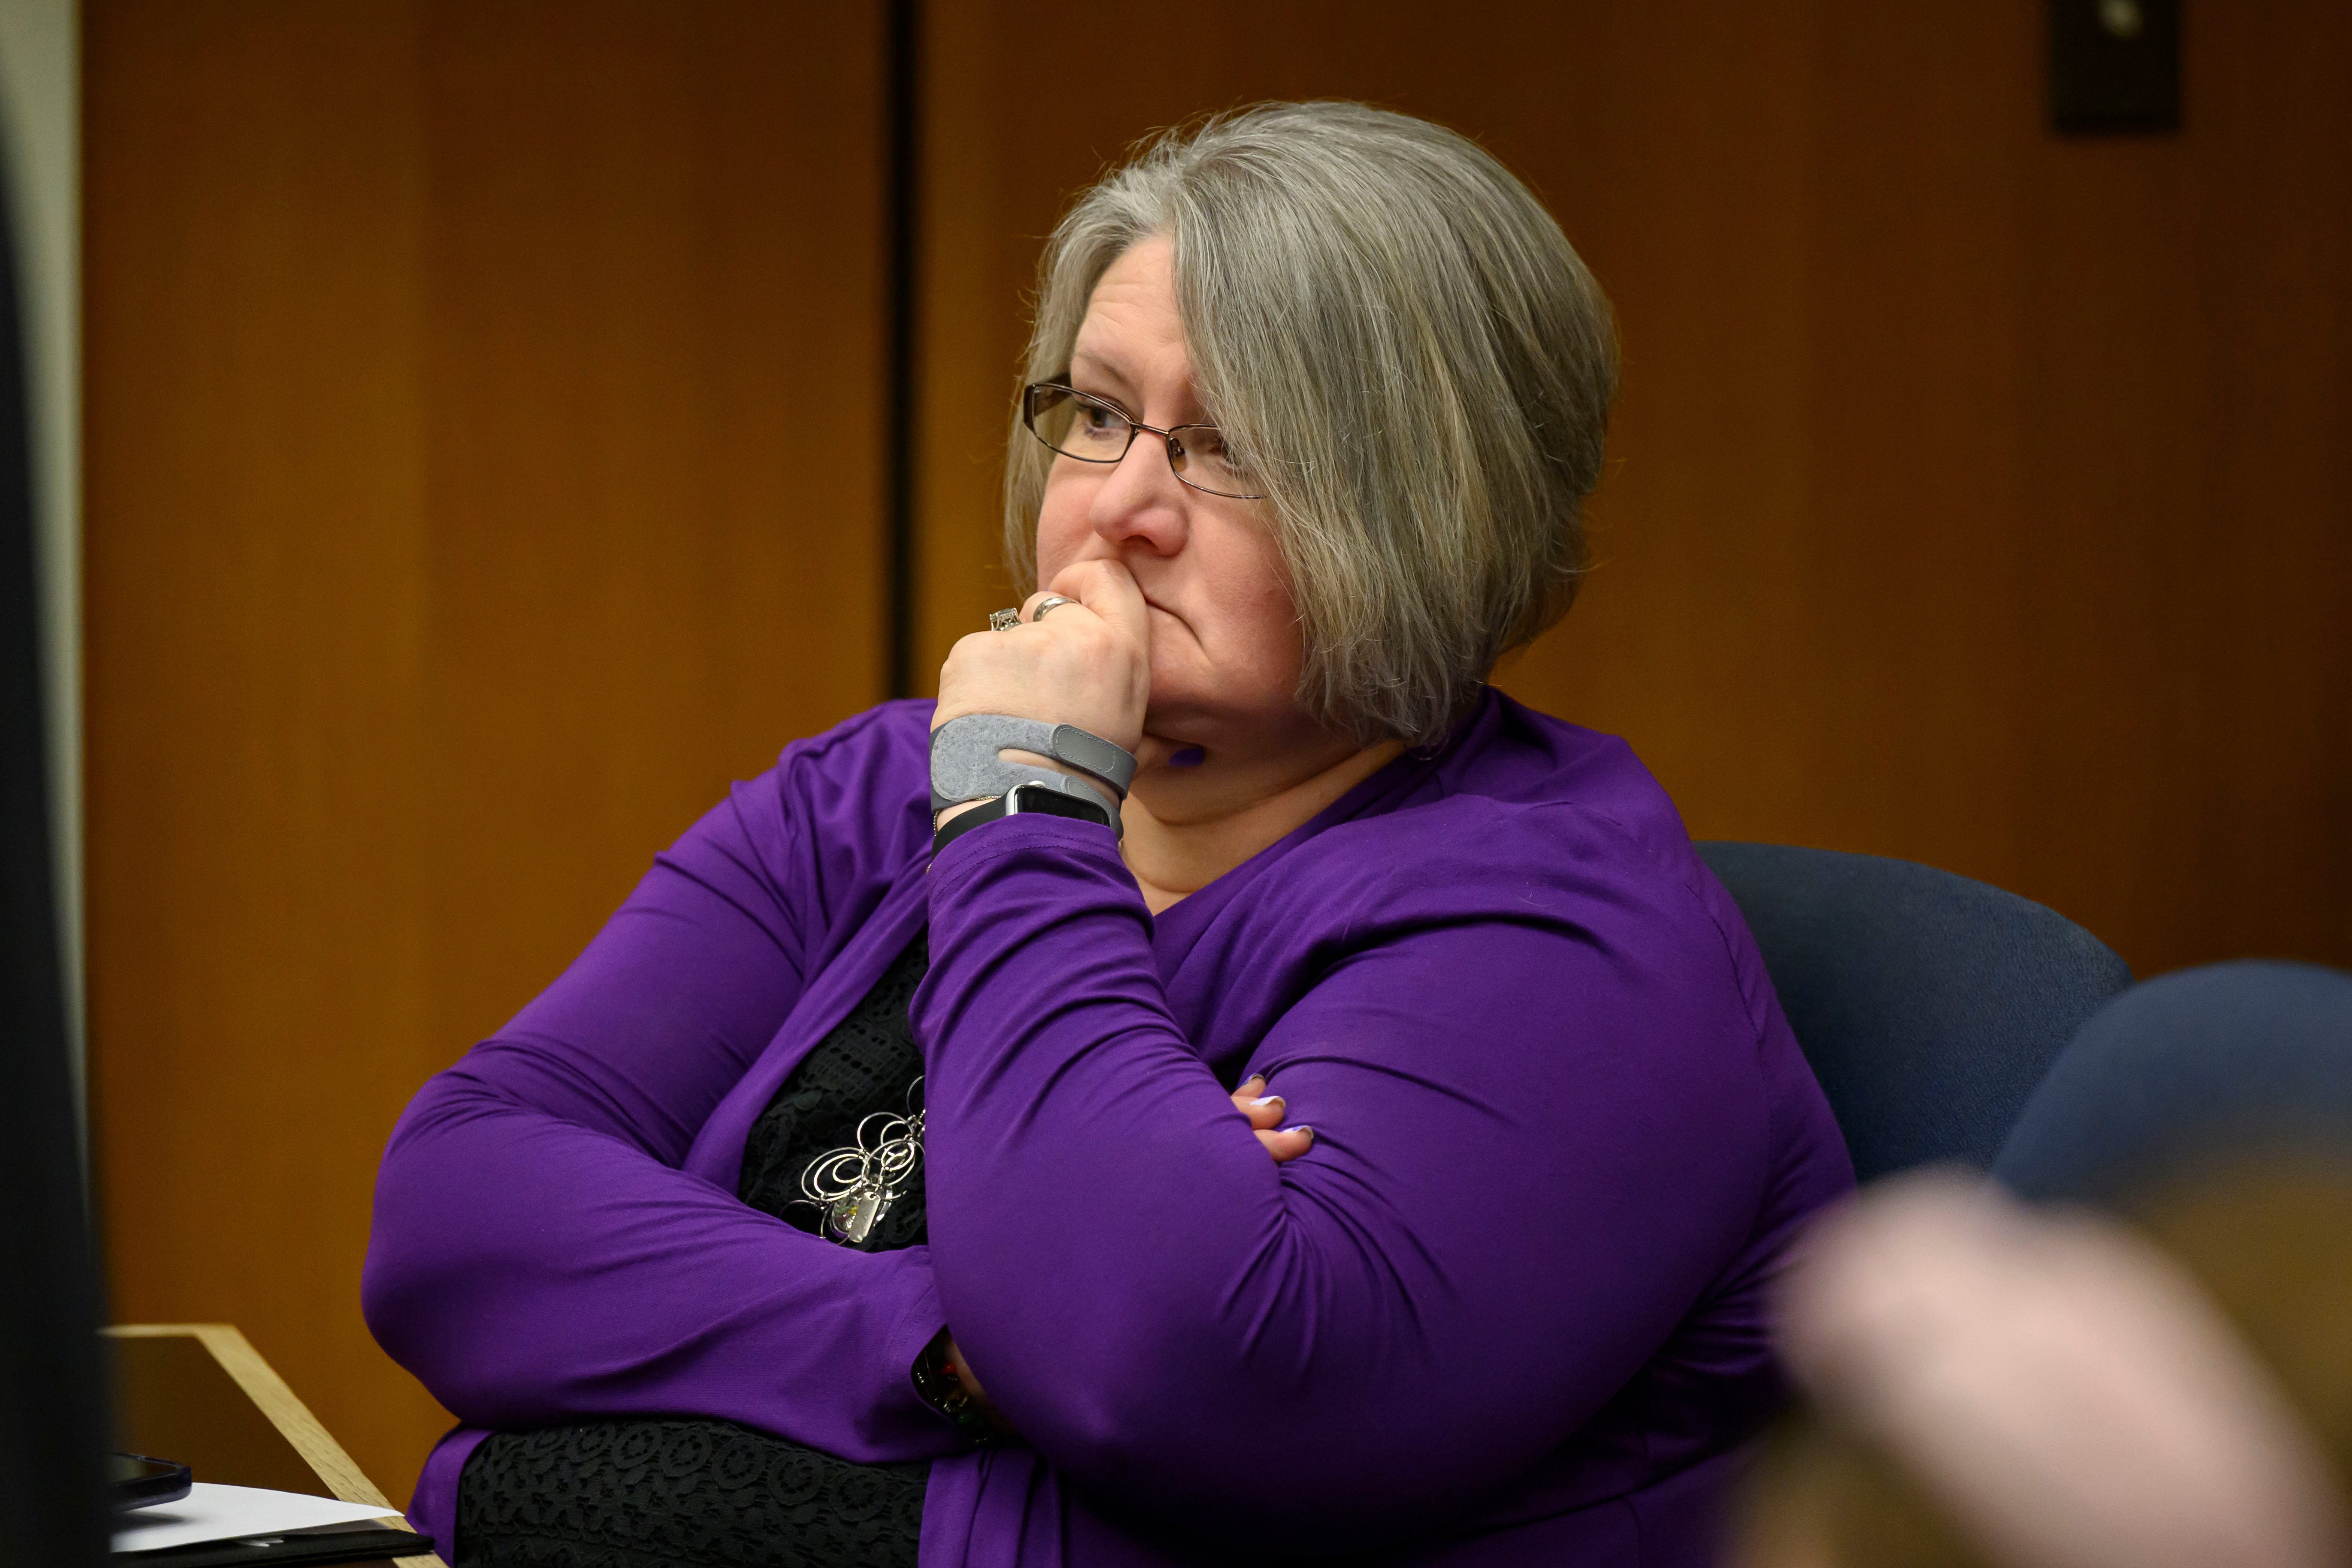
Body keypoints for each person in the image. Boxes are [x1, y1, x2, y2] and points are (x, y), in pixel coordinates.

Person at [363, 100, 1853, 1568]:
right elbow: (455, 1217)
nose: (1121, 508)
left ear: (1440, 509)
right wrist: (956, 1344)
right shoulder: (882, 791)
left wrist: (1029, 805)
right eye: (1096, 414)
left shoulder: (1569, 939)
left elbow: (1179, 1375)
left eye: (1234, 445)